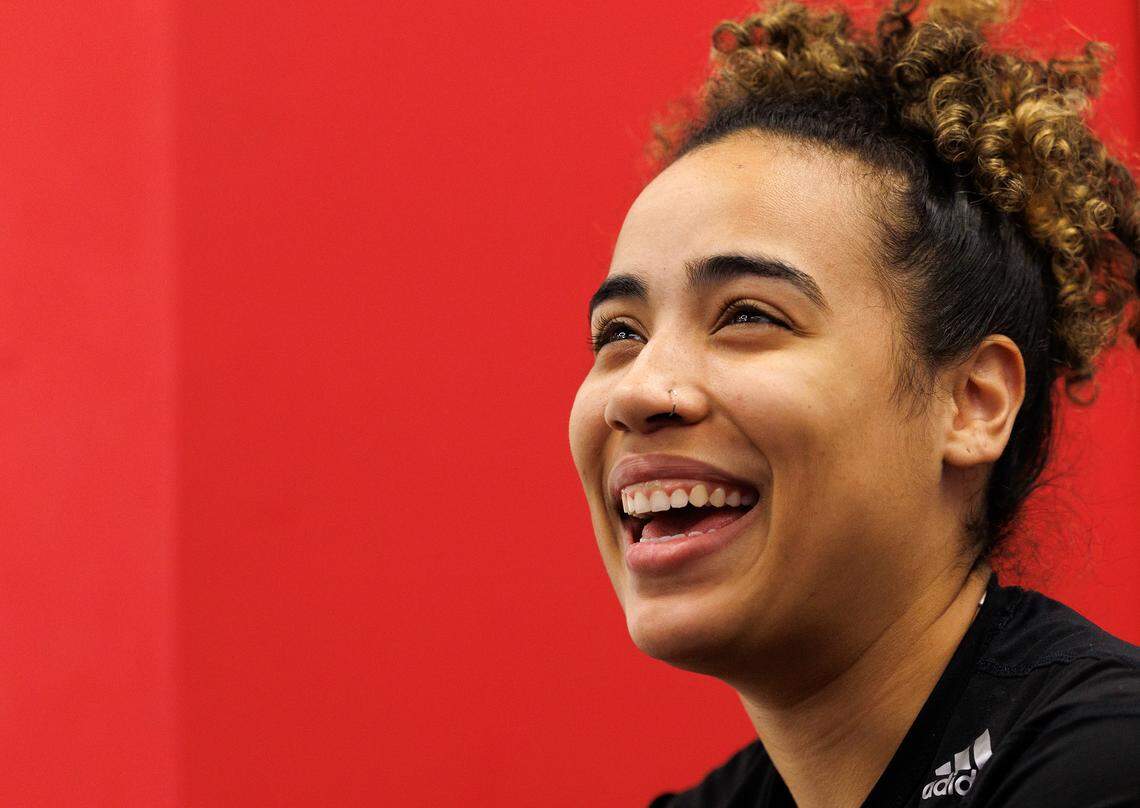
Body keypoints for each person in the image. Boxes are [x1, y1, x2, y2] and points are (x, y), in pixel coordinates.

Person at [567, 0, 1140, 805]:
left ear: (973, 404)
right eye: (618, 334)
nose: (636, 391)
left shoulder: (1108, 767)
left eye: (747, 316)